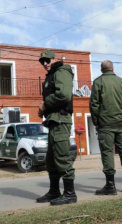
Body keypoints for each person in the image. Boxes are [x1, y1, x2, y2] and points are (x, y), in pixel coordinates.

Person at [90, 60, 122, 195]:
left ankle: (110, 186)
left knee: (107, 152)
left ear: (101, 69)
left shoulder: (98, 82)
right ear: (113, 68)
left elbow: (94, 105)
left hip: (105, 124)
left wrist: (96, 121)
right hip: (120, 123)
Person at [37, 50, 77, 205]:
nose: (45, 63)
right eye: (42, 61)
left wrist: (45, 104)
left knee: (62, 157)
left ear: (54, 59)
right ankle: (54, 192)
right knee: (51, 160)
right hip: (53, 120)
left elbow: (64, 95)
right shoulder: (51, 75)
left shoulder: (62, 71)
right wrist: (44, 110)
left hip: (61, 120)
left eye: (47, 60)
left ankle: (70, 194)